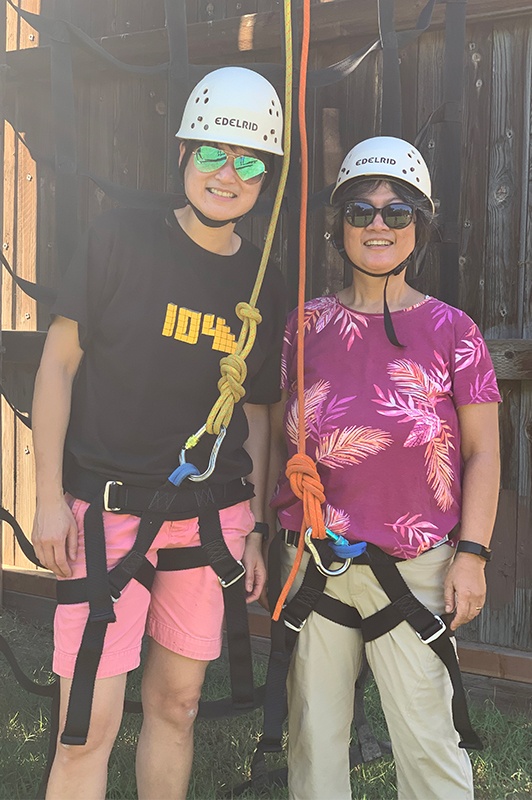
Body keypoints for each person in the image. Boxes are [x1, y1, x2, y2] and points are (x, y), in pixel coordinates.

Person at [31, 66, 285, 800]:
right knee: (87, 722)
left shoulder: (261, 279)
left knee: (178, 706)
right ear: (182, 151)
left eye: (249, 161)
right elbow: (56, 367)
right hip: (106, 516)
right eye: (213, 152)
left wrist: (258, 529)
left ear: (266, 176)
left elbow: (260, 412)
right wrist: (49, 498)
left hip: (210, 521)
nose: (228, 174)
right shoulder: (119, 237)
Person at [270, 136, 501, 800]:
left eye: (397, 212)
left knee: (431, 746)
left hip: (416, 567)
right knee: (313, 744)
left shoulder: (453, 331)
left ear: (418, 226)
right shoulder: (302, 327)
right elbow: (274, 434)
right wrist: (264, 534)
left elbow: (484, 452)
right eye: (361, 210)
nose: (378, 224)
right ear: (338, 225)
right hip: (316, 564)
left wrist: (473, 554)